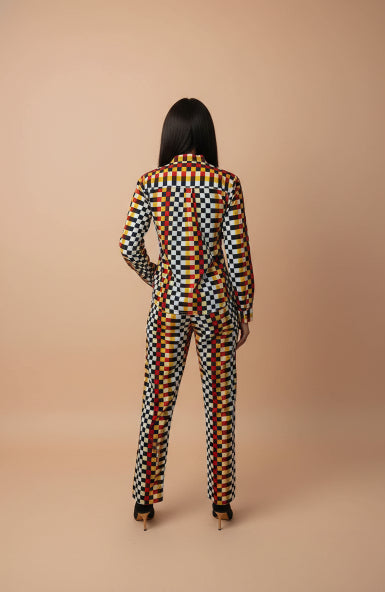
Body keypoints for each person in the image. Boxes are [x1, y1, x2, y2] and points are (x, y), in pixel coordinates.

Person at [119, 98, 255, 531]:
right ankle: (221, 503)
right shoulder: (226, 183)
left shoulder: (151, 182)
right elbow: (237, 256)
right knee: (221, 404)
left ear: (171, 136)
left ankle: (144, 502)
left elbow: (128, 245)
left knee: (157, 400)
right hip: (215, 304)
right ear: (207, 135)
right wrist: (244, 308)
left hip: (168, 304)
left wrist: (159, 277)